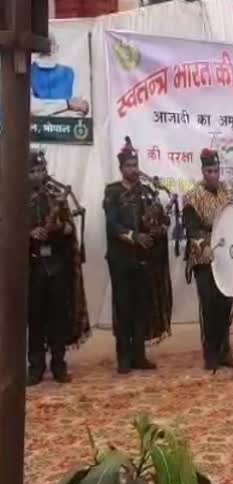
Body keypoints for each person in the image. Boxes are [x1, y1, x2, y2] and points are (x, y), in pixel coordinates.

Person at [103, 137, 168, 373]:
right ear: (121, 169)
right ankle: (124, 357)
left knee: (141, 306)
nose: (132, 169)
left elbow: (157, 218)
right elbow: (112, 225)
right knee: (124, 307)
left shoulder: (147, 192)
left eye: (135, 165)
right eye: (128, 166)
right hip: (121, 259)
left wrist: (158, 227)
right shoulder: (112, 192)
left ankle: (139, 356)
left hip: (143, 259)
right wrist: (134, 236)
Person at [27, 150, 90, 385]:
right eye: (33, 171)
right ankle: (35, 366)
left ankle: (59, 365)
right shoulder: (15, 198)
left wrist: (59, 228)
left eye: (41, 170)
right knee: (35, 318)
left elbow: (70, 230)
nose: (38, 175)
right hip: (31, 267)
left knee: (57, 317)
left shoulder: (57, 196)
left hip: (56, 266)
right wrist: (30, 233)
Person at [183, 148, 233, 370]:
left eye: (216, 170)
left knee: (225, 305)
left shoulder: (228, 193)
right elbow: (191, 229)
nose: (213, 175)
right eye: (209, 171)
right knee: (209, 306)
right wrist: (205, 245)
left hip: (226, 258)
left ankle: (225, 351)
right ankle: (211, 354)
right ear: (203, 171)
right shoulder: (192, 197)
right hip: (203, 259)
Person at [31, 36, 90, 117]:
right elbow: (30, 107)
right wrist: (67, 104)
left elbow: (79, 109)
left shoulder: (69, 73)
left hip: (65, 127)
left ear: (57, 48)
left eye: (50, 45)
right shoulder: (28, 74)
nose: (46, 49)